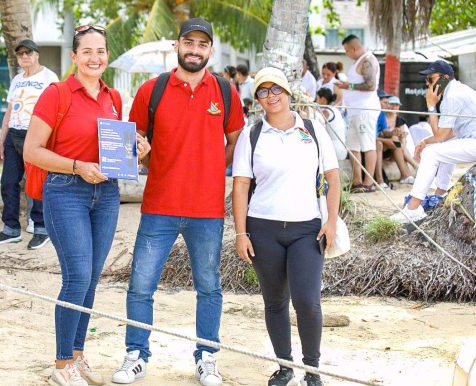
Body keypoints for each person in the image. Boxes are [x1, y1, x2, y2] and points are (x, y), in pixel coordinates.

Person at [111, 18, 244, 386]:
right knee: (141, 285)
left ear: (210, 51)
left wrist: (216, 164)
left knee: (209, 287)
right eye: (189, 42)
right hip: (159, 206)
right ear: (177, 45)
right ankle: (136, 355)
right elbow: (133, 142)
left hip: (207, 210)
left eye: (202, 44)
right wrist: (144, 156)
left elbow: (236, 140)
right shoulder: (150, 91)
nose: (195, 49)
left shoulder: (225, 92)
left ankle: (207, 357)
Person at [24, 24, 151, 386]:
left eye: (101, 51)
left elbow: (112, 151)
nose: (95, 58)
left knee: (92, 278)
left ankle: (78, 356)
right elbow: (32, 151)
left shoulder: (113, 98)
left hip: (106, 194)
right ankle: (62, 364)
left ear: (107, 57)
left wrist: (138, 152)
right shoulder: (57, 93)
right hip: (67, 191)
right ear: (74, 57)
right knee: (77, 276)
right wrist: (77, 166)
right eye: (87, 51)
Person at [232, 67, 339, 386]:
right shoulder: (252, 135)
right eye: (263, 91)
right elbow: (240, 186)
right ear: (257, 99)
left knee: (307, 300)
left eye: (276, 89)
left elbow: (333, 177)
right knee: (275, 301)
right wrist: (241, 233)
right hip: (263, 228)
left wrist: (331, 221)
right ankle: (284, 366)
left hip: (307, 228)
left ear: (288, 92)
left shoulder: (313, 129)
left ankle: (312, 369)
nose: (271, 96)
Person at [0, 39, 59, 250]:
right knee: (9, 181)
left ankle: (41, 229)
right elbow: (10, 111)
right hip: (14, 135)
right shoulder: (17, 79)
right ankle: (10, 229)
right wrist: (1, 141)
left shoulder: (49, 77)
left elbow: (57, 109)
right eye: (21, 54)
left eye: (29, 52)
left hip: (36, 135)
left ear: (37, 54)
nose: (25, 56)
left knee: (36, 182)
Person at [391, 60, 476, 223]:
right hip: (471, 139)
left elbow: (441, 135)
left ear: (444, 78)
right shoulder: (457, 90)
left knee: (431, 153)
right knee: (439, 148)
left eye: (430, 79)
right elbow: (449, 132)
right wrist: (426, 140)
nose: (427, 83)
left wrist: (431, 105)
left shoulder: (452, 96)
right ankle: (439, 196)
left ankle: (413, 209)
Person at [337, 35, 381, 193]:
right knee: (353, 146)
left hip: (365, 109)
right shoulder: (358, 61)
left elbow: (371, 85)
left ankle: (368, 182)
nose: (346, 54)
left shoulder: (368, 60)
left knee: (368, 145)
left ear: (354, 48)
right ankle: (357, 181)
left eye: (347, 51)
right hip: (353, 111)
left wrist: (349, 86)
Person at [375, 96, 415, 189]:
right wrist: (388, 139)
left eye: (396, 105)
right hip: (374, 145)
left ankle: (406, 175)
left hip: (386, 146)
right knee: (381, 143)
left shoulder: (381, 114)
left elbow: (385, 132)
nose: (389, 106)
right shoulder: (374, 113)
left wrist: (394, 133)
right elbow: (372, 137)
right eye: (386, 103)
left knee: (396, 140)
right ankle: (380, 181)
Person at [316, 88, 347, 160]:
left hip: (335, 149)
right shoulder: (334, 109)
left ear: (322, 99)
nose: (316, 101)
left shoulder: (326, 112)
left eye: (317, 98)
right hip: (341, 147)